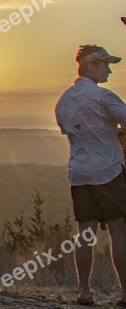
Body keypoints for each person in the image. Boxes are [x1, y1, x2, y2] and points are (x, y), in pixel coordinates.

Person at [56, 44, 126, 306]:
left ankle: (84, 291)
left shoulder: (64, 100)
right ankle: (125, 294)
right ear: (92, 66)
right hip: (108, 171)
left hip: (80, 172)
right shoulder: (104, 98)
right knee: (119, 230)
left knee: (85, 232)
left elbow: (67, 129)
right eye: (105, 65)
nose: (109, 70)